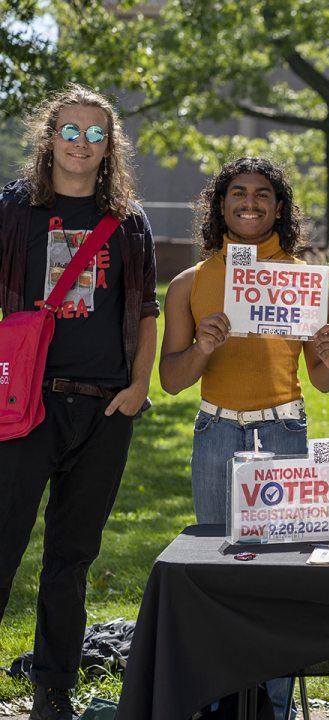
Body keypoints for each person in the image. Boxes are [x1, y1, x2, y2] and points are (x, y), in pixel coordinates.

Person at [158, 156, 329, 718]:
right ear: (220, 205)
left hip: (285, 431)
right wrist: (202, 348)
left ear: (279, 207)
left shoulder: (302, 279)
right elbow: (170, 380)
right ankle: (219, 700)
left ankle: (275, 704)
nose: (249, 202)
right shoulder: (190, 283)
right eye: (237, 192)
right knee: (217, 567)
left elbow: (325, 381)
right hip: (217, 431)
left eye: (262, 194)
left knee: (282, 570)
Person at [0, 83, 158, 720]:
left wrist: (138, 386)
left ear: (109, 145)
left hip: (102, 410)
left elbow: (144, 309)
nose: (82, 143)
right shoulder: (14, 210)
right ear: (49, 136)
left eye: (97, 134)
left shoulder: (128, 220)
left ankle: (53, 689)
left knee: (72, 557)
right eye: (70, 130)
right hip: (23, 406)